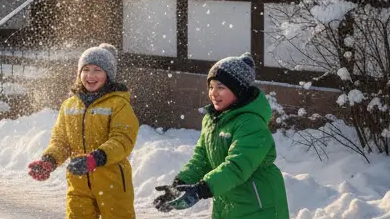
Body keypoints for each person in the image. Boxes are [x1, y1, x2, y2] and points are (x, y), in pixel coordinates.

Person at [153, 53, 290, 219]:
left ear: (238, 90)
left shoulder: (251, 124)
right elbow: (202, 158)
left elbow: (237, 166)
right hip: (227, 201)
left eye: (221, 87)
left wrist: (202, 189)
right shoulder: (213, 121)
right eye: (211, 87)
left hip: (258, 205)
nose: (214, 93)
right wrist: (180, 184)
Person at [27, 43, 138, 219]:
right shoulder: (69, 105)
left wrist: (96, 158)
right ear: (79, 73)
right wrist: (49, 161)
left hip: (113, 183)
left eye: (97, 70)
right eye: (85, 69)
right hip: (78, 185)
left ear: (108, 74)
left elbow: (122, 140)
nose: (90, 75)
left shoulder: (119, 104)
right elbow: (61, 141)